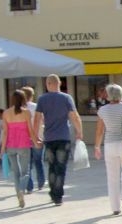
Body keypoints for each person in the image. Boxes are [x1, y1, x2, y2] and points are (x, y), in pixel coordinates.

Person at [33, 74, 83, 206]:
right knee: (61, 167)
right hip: (63, 137)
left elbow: (37, 119)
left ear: (47, 84)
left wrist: (35, 136)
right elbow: (74, 116)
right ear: (59, 83)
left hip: (49, 138)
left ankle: (52, 192)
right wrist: (79, 131)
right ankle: (58, 196)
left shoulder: (42, 99)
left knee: (52, 166)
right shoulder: (66, 98)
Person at [94, 83, 122, 216]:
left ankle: (115, 207)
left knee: (112, 177)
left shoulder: (102, 110)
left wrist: (97, 146)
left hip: (109, 144)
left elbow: (100, 130)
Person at [0, 90, 40, 209]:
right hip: (24, 144)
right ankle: (22, 190)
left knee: (16, 173)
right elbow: (30, 130)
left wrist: (2, 148)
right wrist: (36, 142)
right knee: (25, 172)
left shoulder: (6, 113)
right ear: (23, 99)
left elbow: (5, 132)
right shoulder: (26, 112)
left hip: (10, 145)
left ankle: (18, 193)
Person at [21, 86, 45, 194]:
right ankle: (41, 183)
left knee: (27, 164)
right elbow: (43, 121)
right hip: (38, 136)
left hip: (24, 138)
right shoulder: (37, 107)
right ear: (32, 96)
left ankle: (29, 187)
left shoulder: (19, 108)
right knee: (39, 161)